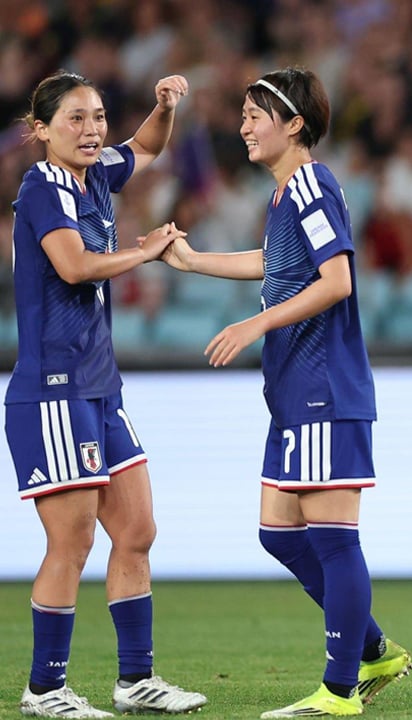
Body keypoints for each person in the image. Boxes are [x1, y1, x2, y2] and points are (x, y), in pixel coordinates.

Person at [150, 67, 411, 718]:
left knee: (334, 538)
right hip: (295, 390)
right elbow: (277, 265)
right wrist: (194, 261)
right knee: (279, 533)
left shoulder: (312, 185)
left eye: (254, 115)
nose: (242, 126)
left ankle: (340, 690)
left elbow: (336, 279)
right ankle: (373, 649)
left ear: (294, 124)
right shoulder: (285, 195)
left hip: (325, 385)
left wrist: (255, 323)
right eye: (241, 114)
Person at [5, 70, 208, 717]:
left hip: (99, 389)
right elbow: (75, 266)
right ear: (41, 130)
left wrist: (164, 107)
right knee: (72, 544)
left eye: (97, 116)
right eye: (76, 118)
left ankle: (136, 680)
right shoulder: (42, 188)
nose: (93, 130)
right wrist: (146, 253)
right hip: (53, 391)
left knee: (138, 530)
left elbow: (145, 147)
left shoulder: (96, 174)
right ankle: (45, 689)